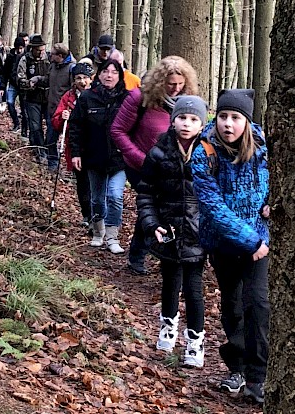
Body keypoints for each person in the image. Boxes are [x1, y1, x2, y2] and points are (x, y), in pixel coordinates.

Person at [191, 88, 270, 405]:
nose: (228, 123)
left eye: (235, 118)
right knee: (233, 304)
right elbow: (213, 207)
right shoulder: (204, 153)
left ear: (247, 122)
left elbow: (275, 181)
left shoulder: (263, 147)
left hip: (259, 241)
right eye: (223, 116)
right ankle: (236, 365)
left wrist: (270, 205)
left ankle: (258, 376)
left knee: (258, 303)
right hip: (224, 242)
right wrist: (250, 240)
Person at [136, 94, 208, 367]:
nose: (187, 124)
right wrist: (152, 224)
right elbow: (145, 193)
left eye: (193, 119)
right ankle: (167, 327)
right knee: (169, 282)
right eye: (182, 118)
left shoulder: (208, 153)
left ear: (202, 124)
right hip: (168, 229)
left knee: (194, 289)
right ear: (173, 119)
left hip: (197, 233)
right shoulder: (158, 153)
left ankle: (195, 340)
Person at [112, 55, 198, 275]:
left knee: (163, 208)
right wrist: (141, 158)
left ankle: (157, 253)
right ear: (161, 81)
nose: (175, 89)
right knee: (152, 206)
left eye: (180, 84)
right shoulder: (140, 98)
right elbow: (118, 131)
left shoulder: (186, 103)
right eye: (171, 84)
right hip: (139, 165)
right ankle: (140, 255)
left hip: (170, 167)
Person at [67, 58, 128, 250]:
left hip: (119, 158)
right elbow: (75, 126)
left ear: (120, 75)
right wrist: (76, 153)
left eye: (114, 72)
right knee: (97, 198)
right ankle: (98, 232)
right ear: (98, 75)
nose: (109, 75)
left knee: (116, 195)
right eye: (105, 71)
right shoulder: (87, 98)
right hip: (93, 156)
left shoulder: (128, 98)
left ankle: (112, 237)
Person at [51, 58, 94, 229]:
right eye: (78, 78)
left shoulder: (98, 95)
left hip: (94, 145)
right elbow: (55, 122)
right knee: (82, 183)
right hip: (75, 146)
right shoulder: (68, 97)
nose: (82, 82)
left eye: (85, 77)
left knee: (95, 183)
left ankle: (97, 216)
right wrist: (62, 117)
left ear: (91, 78)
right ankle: (87, 215)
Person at [16, 34, 50, 158]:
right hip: (32, 98)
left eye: (42, 50)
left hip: (48, 98)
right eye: (38, 50)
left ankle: (48, 148)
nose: (41, 53)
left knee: (51, 125)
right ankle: (40, 151)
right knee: (35, 126)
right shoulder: (25, 60)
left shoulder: (50, 58)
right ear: (32, 49)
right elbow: (19, 79)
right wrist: (29, 84)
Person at [45, 42, 75, 172]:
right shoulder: (53, 66)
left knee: (69, 141)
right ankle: (53, 163)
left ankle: (71, 168)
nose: (50, 56)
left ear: (61, 55)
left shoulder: (71, 68)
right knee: (50, 139)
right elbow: (47, 80)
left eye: (53, 54)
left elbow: (74, 88)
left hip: (64, 110)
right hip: (51, 108)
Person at [4, 33, 28, 133]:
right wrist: (2, 86)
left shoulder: (27, 57)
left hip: (23, 86)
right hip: (12, 85)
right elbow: (5, 72)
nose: (19, 50)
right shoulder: (10, 57)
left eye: (21, 48)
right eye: (18, 48)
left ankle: (24, 129)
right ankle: (16, 123)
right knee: (9, 103)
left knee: (24, 109)